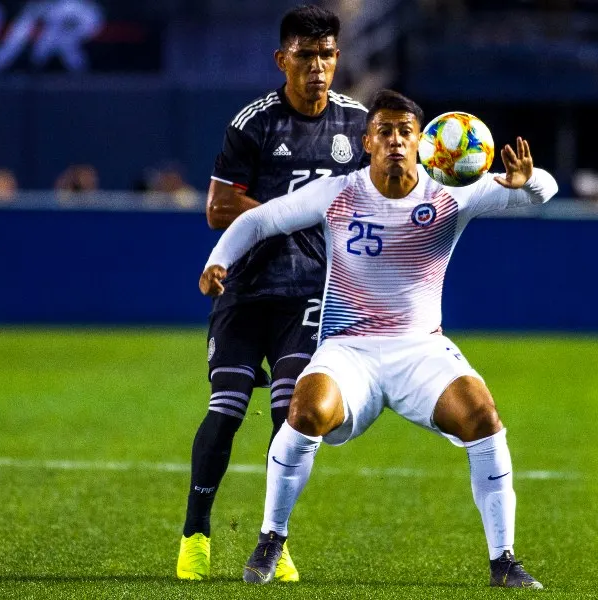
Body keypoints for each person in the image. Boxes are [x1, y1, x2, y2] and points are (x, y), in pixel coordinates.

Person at [198, 90, 558, 589]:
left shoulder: (453, 191)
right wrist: (219, 258)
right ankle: (270, 539)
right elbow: (262, 219)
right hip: (350, 349)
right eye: (384, 132)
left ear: (422, 142)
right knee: (304, 410)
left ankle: (504, 562)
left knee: (482, 416)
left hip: (421, 350)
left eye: (404, 132)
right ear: (366, 141)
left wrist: (528, 183)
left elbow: (545, 189)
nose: (394, 141)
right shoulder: (338, 193)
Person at [176, 4, 369, 582]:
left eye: (327, 55)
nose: (318, 67)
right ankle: (195, 533)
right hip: (247, 290)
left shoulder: (357, 125)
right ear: (281, 59)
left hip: (311, 294)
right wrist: (287, 216)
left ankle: (272, 540)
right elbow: (217, 209)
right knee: (227, 408)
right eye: (305, 56)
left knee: (290, 414)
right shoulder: (254, 124)